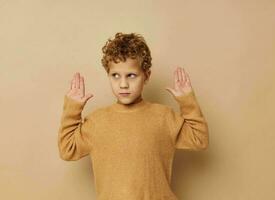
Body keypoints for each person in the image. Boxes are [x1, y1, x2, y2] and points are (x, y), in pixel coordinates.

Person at [57, 32, 209, 200]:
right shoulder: (97, 121)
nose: (123, 84)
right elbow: (67, 149)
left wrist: (187, 101)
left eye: (131, 75)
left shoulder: (163, 117)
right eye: (115, 76)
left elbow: (199, 139)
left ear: (146, 76)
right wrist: (72, 109)